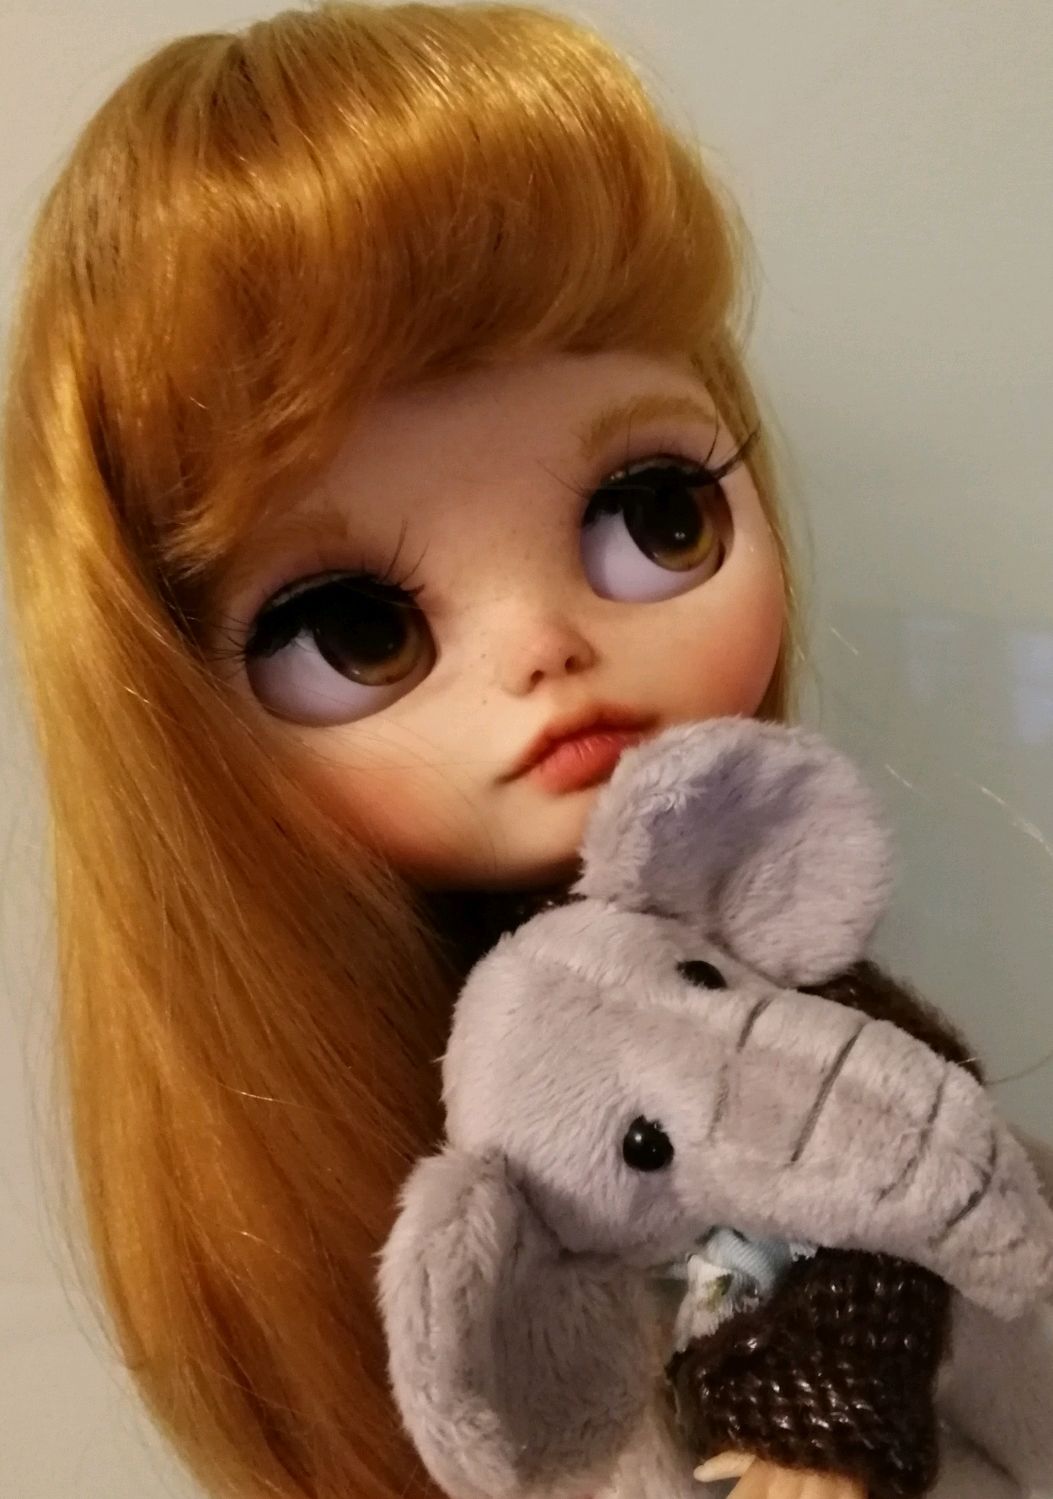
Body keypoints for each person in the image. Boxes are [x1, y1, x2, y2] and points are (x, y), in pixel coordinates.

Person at [2, 6, 1049, 1499]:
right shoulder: (333, 1140)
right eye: (356, 629)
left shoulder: (758, 974)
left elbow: (889, 1163)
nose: (547, 649)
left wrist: (821, 1404)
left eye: (652, 512)